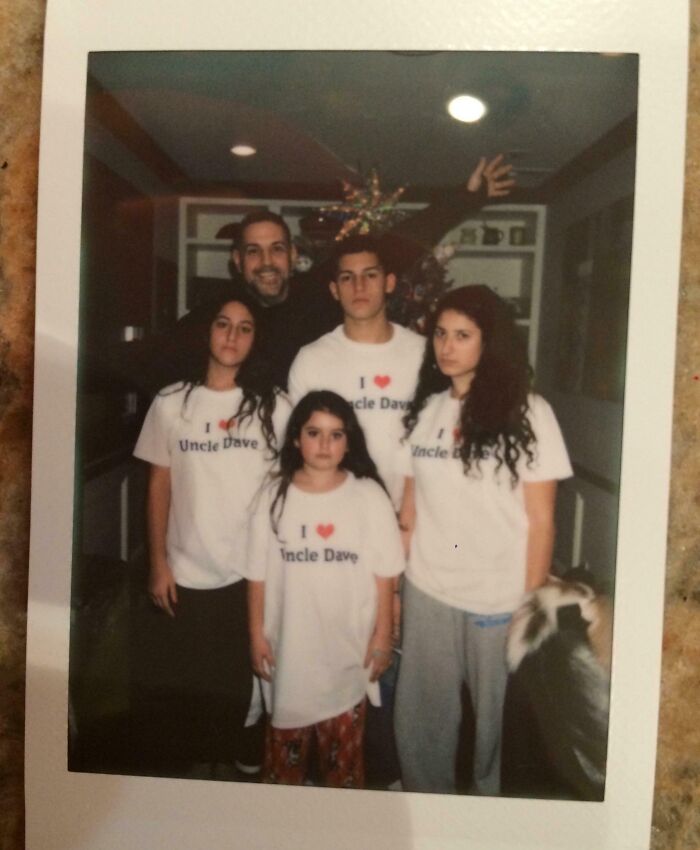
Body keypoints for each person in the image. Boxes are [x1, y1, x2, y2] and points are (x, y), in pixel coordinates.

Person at [127, 155, 514, 395]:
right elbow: (150, 368)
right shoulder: (216, 319)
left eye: (277, 249)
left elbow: (394, 246)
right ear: (237, 261)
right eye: (253, 251)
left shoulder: (318, 292)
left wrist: (468, 197)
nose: (266, 262)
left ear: (293, 255)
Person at [394, 285, 573, 796]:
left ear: (488, 344)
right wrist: (394, 587)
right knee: (421, 721)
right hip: (427, 586)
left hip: (497, 598)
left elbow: (542, 521)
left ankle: (488, 814)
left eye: (463, 336)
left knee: (494, 728)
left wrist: (530, 603)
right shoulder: (426, 412)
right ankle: (425, 809)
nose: (446, 346)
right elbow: (409, 510)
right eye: (442, 334)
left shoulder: (529, 414)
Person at [132, 286, 290, 776]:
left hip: (250, 571)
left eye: (245, 328)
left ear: (255, 341)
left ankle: (239, 760)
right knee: (191, 679)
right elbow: (159, 484)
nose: (232, 336)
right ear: (207, 330)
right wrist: (158, 563)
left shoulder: (275, 408)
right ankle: (194, 771)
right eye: (224, 324)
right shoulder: (172, 403)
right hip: (186, 566)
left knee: (241, 678)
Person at [245, 391, 404, 788]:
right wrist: (255, 635)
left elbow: (386, 574)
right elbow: (256, 574)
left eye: (335, 435)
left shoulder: (368, 496)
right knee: (285, 768)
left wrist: (384, 633)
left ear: (349, 442)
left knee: (343, 772)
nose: (324, 444)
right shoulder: (272, 496)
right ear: (296, 438)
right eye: (314, 432)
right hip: (291, 653)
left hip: (347, 653)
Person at [288, 234, 423, 509]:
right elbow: (298, 450)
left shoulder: (422, 354)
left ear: (390, 282)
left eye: (370, 275)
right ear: (335, 289)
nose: (359, 286)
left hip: (412, 516)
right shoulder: (312, 359)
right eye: (347, 277)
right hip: (338, 516)